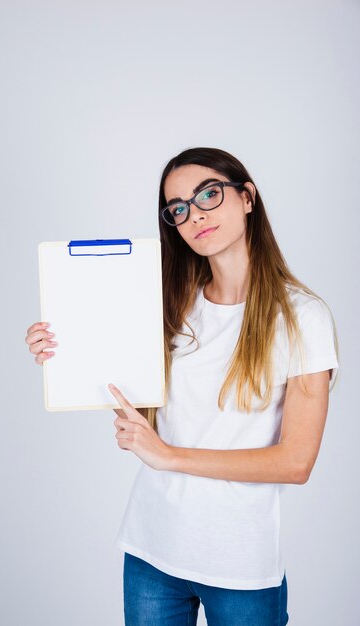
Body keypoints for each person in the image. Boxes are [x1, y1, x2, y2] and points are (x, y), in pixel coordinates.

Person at [25, 147, 339, 626]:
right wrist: (63, 353)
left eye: (208, 194)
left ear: (247, 198)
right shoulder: (171, 307)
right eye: (179, 208)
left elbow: (295, 463)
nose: (195, 216)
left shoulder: (302, 318)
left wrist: (168, 455)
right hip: (152, 550)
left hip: (239, 565)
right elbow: (145, 415)